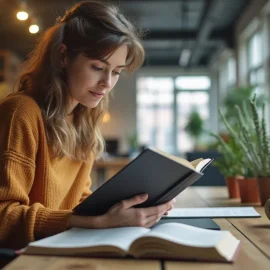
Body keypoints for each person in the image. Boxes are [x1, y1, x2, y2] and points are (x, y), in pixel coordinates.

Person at [0, 0, 175, 250]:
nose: (107, 83)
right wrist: (99, 223)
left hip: (58, 249)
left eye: (116, 72)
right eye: (97, 67)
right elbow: (3, 216)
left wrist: (132, 207)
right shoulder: (21, 113)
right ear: (63, 56)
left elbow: (77, 201)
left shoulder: (83, 120)